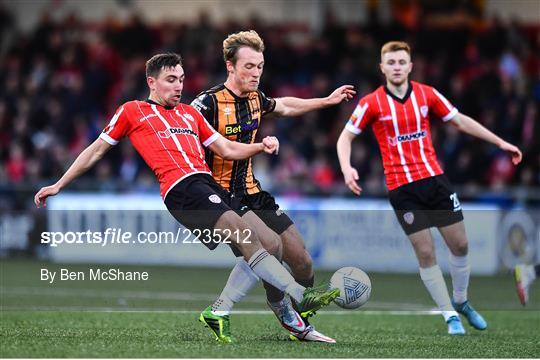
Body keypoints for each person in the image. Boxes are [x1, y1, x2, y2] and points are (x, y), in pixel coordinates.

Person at [34, 53, 340, 343]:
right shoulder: (132, 111)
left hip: (209, 186)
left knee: (271, 244)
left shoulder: (190, 114)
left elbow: (227, 148)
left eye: (181, 78)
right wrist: (59, 183)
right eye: (170, 79)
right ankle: (299, 298)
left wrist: (260, 147)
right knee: (246, 236)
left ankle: (219, 310)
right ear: (151, 82)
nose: (178, 85)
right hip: (182, 189)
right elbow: (96, 150)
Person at [336, 41, 522, 335]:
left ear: (410, 66)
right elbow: (344, 138)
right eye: (391, 62)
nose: (396, 67)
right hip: (402, 189)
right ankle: (449, 314)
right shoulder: (371, 103)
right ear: (381, 68)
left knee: (460, 245)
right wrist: (347, 168)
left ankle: (461, 300)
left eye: (401, 62)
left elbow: (459, 120)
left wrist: (500, 142)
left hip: (434, 181)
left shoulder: (427, 94)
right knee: (426, 253)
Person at [191, 30, 355, 343]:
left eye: (260, 66)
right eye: (248, 66)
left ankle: (296, 307)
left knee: (302, 261)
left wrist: (327, 100)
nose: (255, 73)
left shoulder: (256, 99)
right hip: (221, 195)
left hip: (253, 190)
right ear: (230, 66)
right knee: (269, 246)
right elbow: (182, 132)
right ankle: (282, 310)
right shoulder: (208, 103)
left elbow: (286, 106)